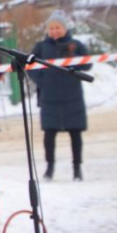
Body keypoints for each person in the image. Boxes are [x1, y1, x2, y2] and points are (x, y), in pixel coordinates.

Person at [29, 10, 91, 181]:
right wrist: (42, 80)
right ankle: (49, 168)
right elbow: (30, 67)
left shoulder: (75, 45)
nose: (54, 31)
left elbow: (87, 65)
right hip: (50, 99)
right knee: (49, 135)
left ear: (65, 28)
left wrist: (73, 57)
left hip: (73, 98)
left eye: (58, 27)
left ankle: (77, 168)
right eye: (51, 28)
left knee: (75, 134)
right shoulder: (41, 47)